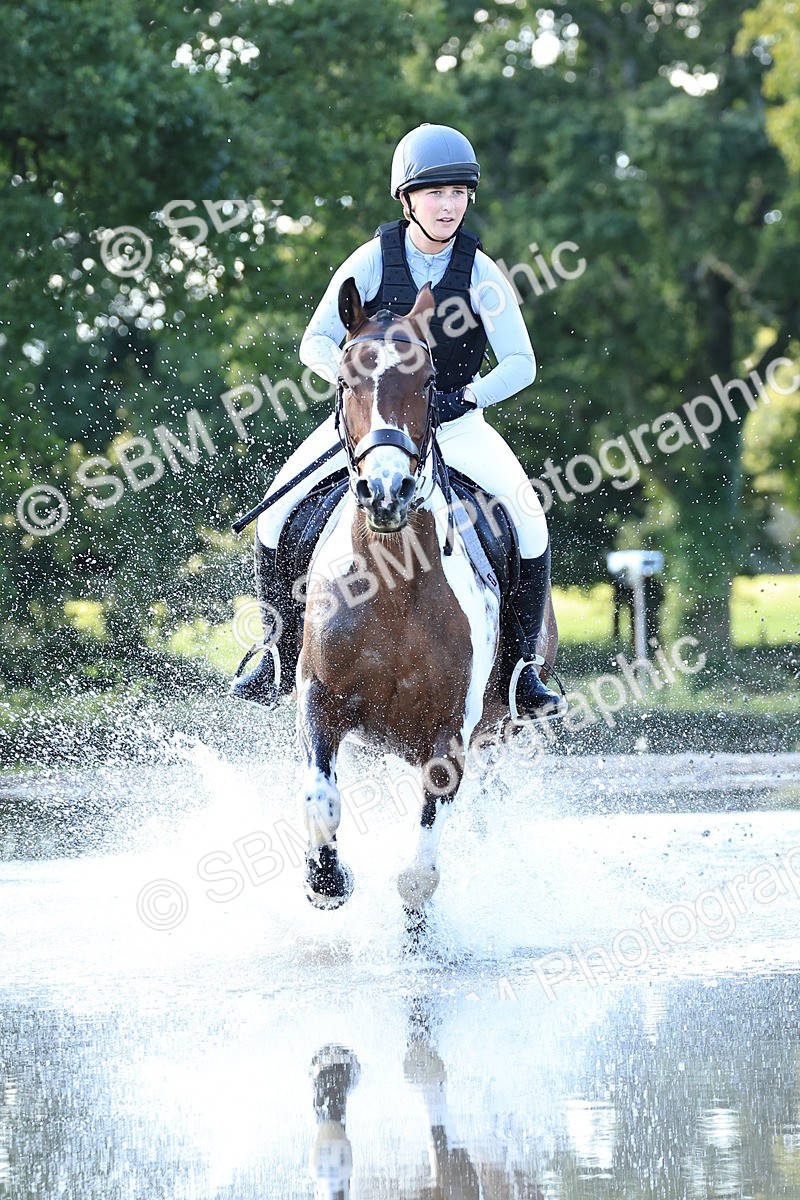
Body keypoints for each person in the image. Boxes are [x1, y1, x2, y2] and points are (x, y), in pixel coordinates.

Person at [232, 122, 566, 718]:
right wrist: (357, 387)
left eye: (460, 193)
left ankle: (521, 672)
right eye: (436, 193)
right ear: (407, 199)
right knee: (276, 515)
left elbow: (522, 362)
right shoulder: (370, 260)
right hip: (368, 429)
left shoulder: (482, 274)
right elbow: (315, 342)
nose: (450, 205)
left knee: (530, 517)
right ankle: (278, 653)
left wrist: (468, 395)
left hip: (455, 426)